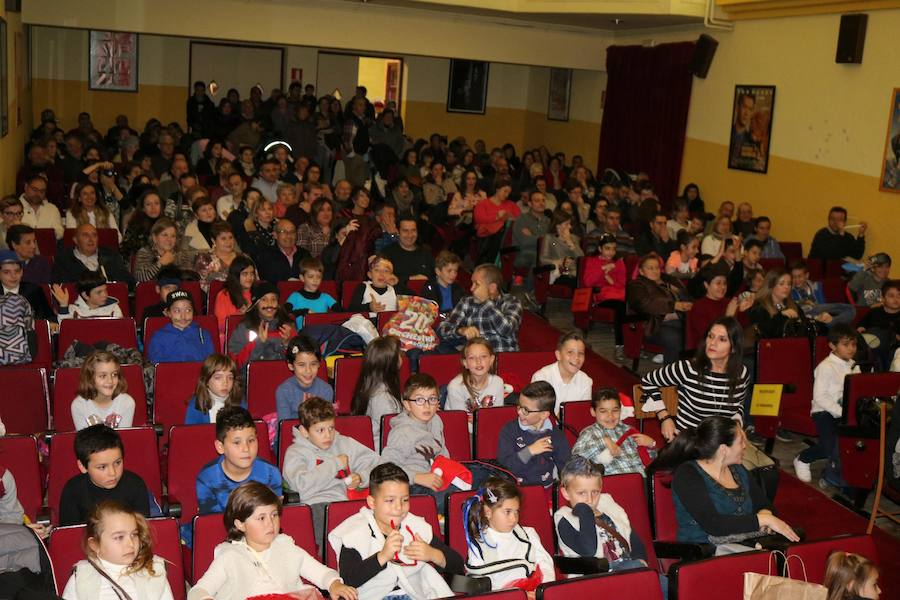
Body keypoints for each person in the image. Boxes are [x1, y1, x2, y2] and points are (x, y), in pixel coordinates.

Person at [649, 416, 799, 549]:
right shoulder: (688, 474)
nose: (745, 446)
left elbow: (764, 504)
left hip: (744, 545)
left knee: (795, 539)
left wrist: (765, 514)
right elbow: (715, 525)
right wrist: (763, 519)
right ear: (724, 449)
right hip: (703, 552)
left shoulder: (738, 470)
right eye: (741, 442)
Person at [189, 482, 356, 600]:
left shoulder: (286, 547)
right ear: (240, 524)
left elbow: (321, 573)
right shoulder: (229, 556)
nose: (271, 523)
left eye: (274, 515)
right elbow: (198, 591)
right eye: (261, 518)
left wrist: (334, 584)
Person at [328, 462, 462, 600]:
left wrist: (433, 554)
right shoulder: (354, 532)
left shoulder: (415, 526)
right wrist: (382, 556)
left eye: (405, 500)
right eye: (390, 500)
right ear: (372, 503)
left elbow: (458, 565)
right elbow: (348, 580)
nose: (399, 507)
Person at [282, 397, 381, 541]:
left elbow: (379, 464)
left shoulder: (343, 443)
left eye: (331, 428)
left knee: (370, 533)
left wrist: (361, 477)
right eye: (320, 430)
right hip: (315, 506)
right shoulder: (295, 452)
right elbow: (300, 484)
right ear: (304, 431)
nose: (328, 435)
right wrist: (335, 464)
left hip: (345, 504)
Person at [643, 317, 750, 444]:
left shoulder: (741, 373)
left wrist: (737, 423)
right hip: (689, 442)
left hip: (720, 443)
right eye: (710, 336)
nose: (712, 343)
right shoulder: (688, 369)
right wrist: (664, 417)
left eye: (722, 339)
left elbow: (739, 405)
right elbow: (648, 381)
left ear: (734, 348)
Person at [555, 457, 653, 575]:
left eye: (595, 492)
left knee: (664, 582)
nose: (590, 499)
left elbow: (631, 536)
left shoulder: (608, 504)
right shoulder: (563, 518)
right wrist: (584, 510)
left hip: (629, 569)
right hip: (595, 578)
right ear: (566, 493)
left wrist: (641, 560)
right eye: (582, 493)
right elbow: (588, 550)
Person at [61, 501, 174, 600]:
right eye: (119, 537)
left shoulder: (154, 571)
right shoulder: (81, 577)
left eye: (134, 535)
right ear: (95, 545)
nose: (130, 543)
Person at [793, 324, 860, 487]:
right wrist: (842, 412)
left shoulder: (854, 365)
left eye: (853, 344)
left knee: (853, 442)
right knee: (828, 447)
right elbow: (820, 397)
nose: (851, 349)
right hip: (824, 411)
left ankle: (841, 472)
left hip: (845, 411)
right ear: (832, 345)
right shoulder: (826, 367)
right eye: (845, 344)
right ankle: (802, 459)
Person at [463, 477, 555, 595]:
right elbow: (480, 586)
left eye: (516, 511)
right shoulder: (479, 545)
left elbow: (545, 565)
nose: (514, 518)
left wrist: (541, 591)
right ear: (488, 512)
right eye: (507, 512)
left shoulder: (528, 535)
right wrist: (518, 595)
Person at [381, 374, 460, 506]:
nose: (427, 406)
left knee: (477, 481)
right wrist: (417, 477)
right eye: (419, 400)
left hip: (435, 478)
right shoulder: (402, 432)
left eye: (432, 399)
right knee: (456, 498)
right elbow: (386, 468)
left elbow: (442, 451)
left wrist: (448, 469)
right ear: (407, 404)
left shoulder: (436, 420)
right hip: (411, 487)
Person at [195, 406, 282, 521]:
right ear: (220, 447)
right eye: (237, 442)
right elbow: (212, 524)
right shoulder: (207, 479)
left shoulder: (271, 474)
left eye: (251, 440)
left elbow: (275, 518)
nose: (246, 448)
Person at [59, 425, 150, 526]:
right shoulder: (73, 490)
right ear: (83, 467)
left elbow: (143, 531)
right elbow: (69, 534)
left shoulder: (135, 485)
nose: (112, 473)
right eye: (102, 467)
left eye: (117, 463)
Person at [497, 381, 571, 490]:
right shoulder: (509, 430)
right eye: (519, 406)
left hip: (546, 489)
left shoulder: (555, 435)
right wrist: (529, 451)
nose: (520, 412)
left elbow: (566, 468)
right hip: (514, 491)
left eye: (526, 410)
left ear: (544, 414)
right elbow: (505, 467)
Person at [437, 264, 523, 353]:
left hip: (503, 357)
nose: (471, 288)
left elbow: (506, 329)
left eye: (476, 284)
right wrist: (461, 330)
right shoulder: (467, 302)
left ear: (492, 288)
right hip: (476, 360)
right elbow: (442, 329)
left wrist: (486, 301)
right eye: (472, 283)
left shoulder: (511, 302)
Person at [572, 388, 656, 477]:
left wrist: (651, 445)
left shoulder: (629, 430)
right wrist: (603, 442)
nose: (610, 416)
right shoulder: (590, 433)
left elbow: (649, 460)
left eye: (615, 410)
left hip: (641, 479)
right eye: (603, 411)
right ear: (593, 412)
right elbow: (575, 459)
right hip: (615, 482)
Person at [626, 253, 692, 365]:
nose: (655, 271)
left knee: (695, 330)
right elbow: (644, 303)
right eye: (650, 268)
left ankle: (691, 371)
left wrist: (679, 291)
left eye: (657, 267)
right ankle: (670, 377)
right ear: (641, 271)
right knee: (675, 338)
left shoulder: (669, 281)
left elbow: (689, 300)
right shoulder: (636, 285)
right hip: (653, 325)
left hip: (678, 320)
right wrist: (673, 306)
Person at [227, 281, 296, 368]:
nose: (269, 304)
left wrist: (287, 344)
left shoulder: (288, 327)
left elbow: (298, 362)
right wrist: (258, 343)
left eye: (273, 299)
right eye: (264, 299)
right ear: (256, 304)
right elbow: (235, 364)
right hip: (253, 377)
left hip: (283, 376)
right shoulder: (244, 327)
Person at [350, 335, 403, 444]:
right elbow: (393, 435)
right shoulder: (383, 399)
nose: (402, 357)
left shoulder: (371, 384)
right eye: (399, 355)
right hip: (383, 452)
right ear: (391, 364)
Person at [686, 267, 753, 350]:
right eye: (718, 283)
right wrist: (728, 316)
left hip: (731, 348)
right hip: (707, 351)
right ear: (706, 285)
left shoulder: (729, 302)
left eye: (724, 283)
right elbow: (710, 336)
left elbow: (743, 329)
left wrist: (742, 311)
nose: (722, 287)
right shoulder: (698, 307)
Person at [582, 234, 627, 359]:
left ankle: (635, 344)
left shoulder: (618, 263)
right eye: (607, 248)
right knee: (621, 307)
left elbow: (622, 283)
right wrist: (604, 268)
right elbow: (588, 282)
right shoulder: (592, 261)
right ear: (600, 248)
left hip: (619, 294)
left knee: (630, 305)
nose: (611, 252)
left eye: (613, 248)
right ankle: (620, 345)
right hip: (602, 297)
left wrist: (614, 267)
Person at [69, 351, 135, 431]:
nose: (110, 381)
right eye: (103, 376)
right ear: (90, 378)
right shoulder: (79, 405)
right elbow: (84, 442)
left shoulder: (127, 402)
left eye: (114, 374)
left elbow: (124, 440)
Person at [446, 337, 506, 427]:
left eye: (483, 356)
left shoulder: (498, 383)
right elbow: (460, 423)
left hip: (488, 430)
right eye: (472, 358)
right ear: (465, 363)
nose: (478, 361)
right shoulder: (455, 386)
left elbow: (496, 418)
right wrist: (484, 419)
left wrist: (478, 420)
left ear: (492, 360)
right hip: (462, 432)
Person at [749, 269, 825, 338]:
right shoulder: (759, 306)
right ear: (771, 286)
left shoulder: (793, 305)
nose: (786, 287)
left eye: (789, 284)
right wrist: (781, 315)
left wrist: (818, 322)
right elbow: (766, 333)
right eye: (782, 284)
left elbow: (804, 329)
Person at [531, 331, 593, 416]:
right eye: (570, 352)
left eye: (581, 353)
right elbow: (536, 416)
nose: (576, 358)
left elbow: (582, 415)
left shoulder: (586, 381)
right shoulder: (542, 378)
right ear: (558, 355)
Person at [146, 289, 215, 364]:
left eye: (188, 310)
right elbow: (156, 365)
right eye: (177, 311)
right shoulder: (158, 337)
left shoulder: (203, 335)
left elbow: (211, 363)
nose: (183, 316)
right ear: (167, 313)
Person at [276, 335, 334, 421]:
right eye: (302, 365)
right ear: (291, 366)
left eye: (313, 364)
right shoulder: (284, 391)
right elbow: (284, 427)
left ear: (319, 364)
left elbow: (327, 423)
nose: (308, 371)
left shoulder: (326, 390)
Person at [52, 223, 133, 284]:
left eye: (94, 235)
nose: (91, 239)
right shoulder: (64, 260)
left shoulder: (111, 256)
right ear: (75, 240)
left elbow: (128, 282)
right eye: (85, 235)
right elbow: (60, 287)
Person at [791, 260, 856, 328]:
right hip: (806, 314)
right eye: (793, 277)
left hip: (820, 311)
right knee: (813, 309)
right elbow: (795, 308)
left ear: (807, 275)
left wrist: (823, 314)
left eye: (799, 276)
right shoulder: (790, 290)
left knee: (850, 309)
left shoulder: (816, 286)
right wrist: (804, 302)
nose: (796, 280)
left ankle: (830, 323)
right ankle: (828, 324)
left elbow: (822, 304)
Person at [185, 354, 245, 424]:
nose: (225, 383)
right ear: (206, 381)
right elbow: (191, 433)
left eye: (230, 378)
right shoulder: (196, 405)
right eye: (218, 378)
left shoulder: (241, 404)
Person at [133, 217, 194, 283]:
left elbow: (188, 279)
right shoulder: (145, 252)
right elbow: (141, 278)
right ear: (154, 238)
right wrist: (160, 263)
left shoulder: (181, 254)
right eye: (165, 235)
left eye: (173, 236)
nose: (169, 239)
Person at [474, 178, 520, 265]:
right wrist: (497, 217)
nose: (507, 195)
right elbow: (479, 219)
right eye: (505, 191)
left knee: (504, 229)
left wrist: (508, 218)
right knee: (499, 230)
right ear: (497, 189)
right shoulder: (483, 204)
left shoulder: (511, 204)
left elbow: (520, 219)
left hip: (507, 236)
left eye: (508, 193)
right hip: (487, 236)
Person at [856, 280, 900, 370]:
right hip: (875, 350)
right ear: (883, 298)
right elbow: (860, 328)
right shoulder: (875, 313)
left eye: (899, 295)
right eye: (891, 296)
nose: (896, 299)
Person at [0, 250, 55, 321]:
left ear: (22, 272)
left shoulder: (35, 291)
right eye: (7, 272)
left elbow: (50, 318)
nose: (13, 276)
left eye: (17, 271)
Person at [284, 256, 337, 329]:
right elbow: (283, 313)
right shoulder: (295, 296)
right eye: (311, 276)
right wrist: (304, 311)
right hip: (302, 338)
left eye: (318, 277)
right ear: (302, 278)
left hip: (322, 336)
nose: (315, 280)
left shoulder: (326, 297)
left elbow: (342, 313)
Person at [213, 255, 256, 342]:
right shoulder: (224, 295)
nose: (250, 277)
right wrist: (239, 316)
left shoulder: (258, 292)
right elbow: (219, 325)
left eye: (252, 273)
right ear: (236, 275)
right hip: (234, 338)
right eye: (245, 274)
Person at [381, 217, 434, 285]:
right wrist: (411, 279)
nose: (410, 235)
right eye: (405, 231)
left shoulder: (426, 254)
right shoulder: (387, 252)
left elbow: (434, 277)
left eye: (413, 230)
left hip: (424, 295)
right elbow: (384, 277)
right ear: (398, 231)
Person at [256, 218, 312, 282]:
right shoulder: (266, 255)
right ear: (275, 235)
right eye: (284, 232)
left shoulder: (305, 255)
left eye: (292, 232)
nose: (289, 236)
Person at [53, 270, 124, 321]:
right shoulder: (74, 310)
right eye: (99, 292)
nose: (105, 295)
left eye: (105, 290)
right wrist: (63, 306)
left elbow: (119, 329)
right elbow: (65, 330)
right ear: (85, 295)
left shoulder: (113, 308)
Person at [539, 210, 583, 287]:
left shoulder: (574, 238)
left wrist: (571, 244)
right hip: (560, 273)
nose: (570, 227)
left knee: (584, 279)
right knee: (574, 281)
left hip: (575, 272)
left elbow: (582, 259)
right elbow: (543, 259)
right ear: (558, 226)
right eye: (567, 224)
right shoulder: (550, 239)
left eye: (570, 224)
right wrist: (560, 261)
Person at [512, 190, 550, 271]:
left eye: (543, 200)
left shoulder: (549, 221)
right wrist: (545, 239)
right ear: (529, 204)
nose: (541, 203)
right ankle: (533, 284)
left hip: (544, 254)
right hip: (523, 254)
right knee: (538, 258)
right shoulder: (521, 219)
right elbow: (525, 242)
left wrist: (533, 236)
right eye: (537, 201)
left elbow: (553, 242)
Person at [19, 174, 63, 240]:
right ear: (26, 187)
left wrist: (48, 234)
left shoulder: (52, 209)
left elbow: (60, 232)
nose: (37, 194)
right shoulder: (14, 207)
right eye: (34, 189)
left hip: (47, 247)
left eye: (42, 191)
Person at [421, 250, 464, 316]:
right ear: (438, 271)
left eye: (455, 271)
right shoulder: (430, 288)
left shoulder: (457, 287)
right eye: (449, 271)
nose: (453, 274)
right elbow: (429, 311)